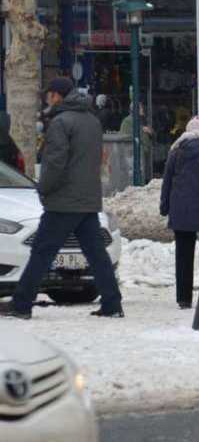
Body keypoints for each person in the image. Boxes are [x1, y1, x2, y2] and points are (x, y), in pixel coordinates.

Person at [0, 78, 123, 320]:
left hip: (63, 201)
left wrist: (43, 188)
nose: (47, 99)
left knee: (41, 252)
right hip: (88, 199)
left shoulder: (60, 122)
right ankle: (112, 303)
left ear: (57, 96)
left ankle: (22, 304)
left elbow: (54, 164)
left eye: (49, 95)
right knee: (97, 254)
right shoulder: (91, 120)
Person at [160, 116, 199, 310]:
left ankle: (184, 298)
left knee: (183, 256)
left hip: (180, 211)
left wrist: (164, 206)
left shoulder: (176, 150)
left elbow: (167, 181)